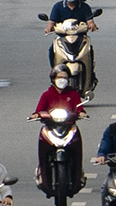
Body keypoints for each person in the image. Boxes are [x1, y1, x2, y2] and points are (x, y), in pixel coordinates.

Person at [33, 65, 88, 196]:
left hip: (69, 128)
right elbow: (39, 110)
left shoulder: (73, 94)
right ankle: (43, 175)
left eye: (65, 78)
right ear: (53, 79)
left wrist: (81, 113)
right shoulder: (47, 95)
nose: (62, 80)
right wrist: (36, 115)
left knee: (76, 149)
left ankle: (78, 174)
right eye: (59, 77)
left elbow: (79, 109)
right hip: (51, 128)